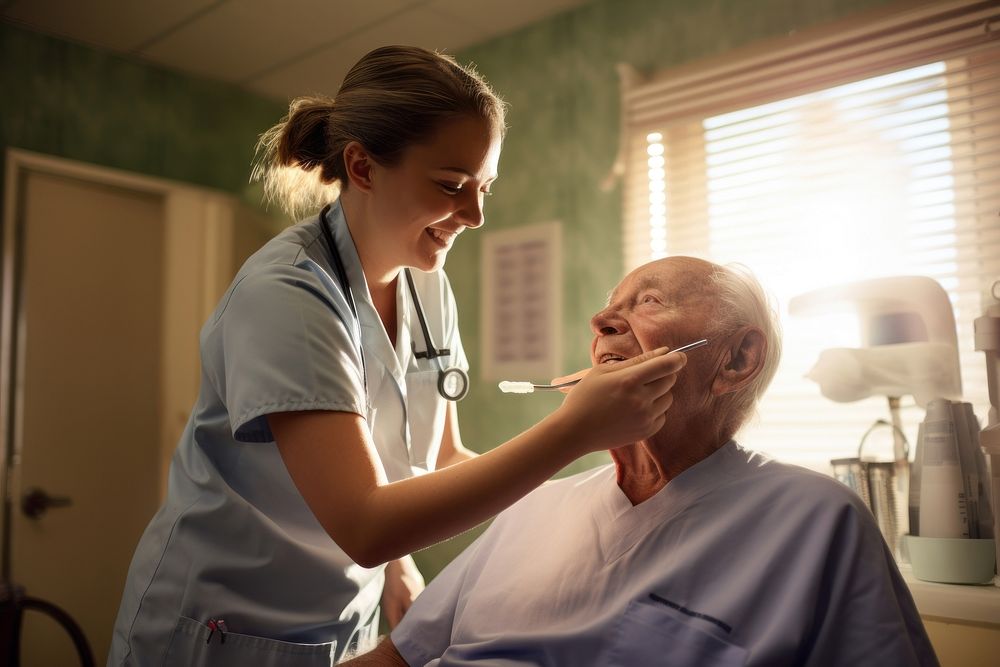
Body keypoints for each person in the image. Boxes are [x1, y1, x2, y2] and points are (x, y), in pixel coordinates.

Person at [108, 46, 689, 667]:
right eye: (451, 186)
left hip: (345, 618)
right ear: (361, 166)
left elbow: (439, 459)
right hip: (223, 625)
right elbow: (365, 522)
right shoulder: (287, 294)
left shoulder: (426, 283)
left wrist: (604, 498)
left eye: (484, 186)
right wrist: (575, 429)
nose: (475, 215)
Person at [345, 256, 939, 667]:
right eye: (608, 309)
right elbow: (398, 656)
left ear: (736, 358)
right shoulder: (536, 504)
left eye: (650, 301)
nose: (601, 321)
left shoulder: (818, 520)